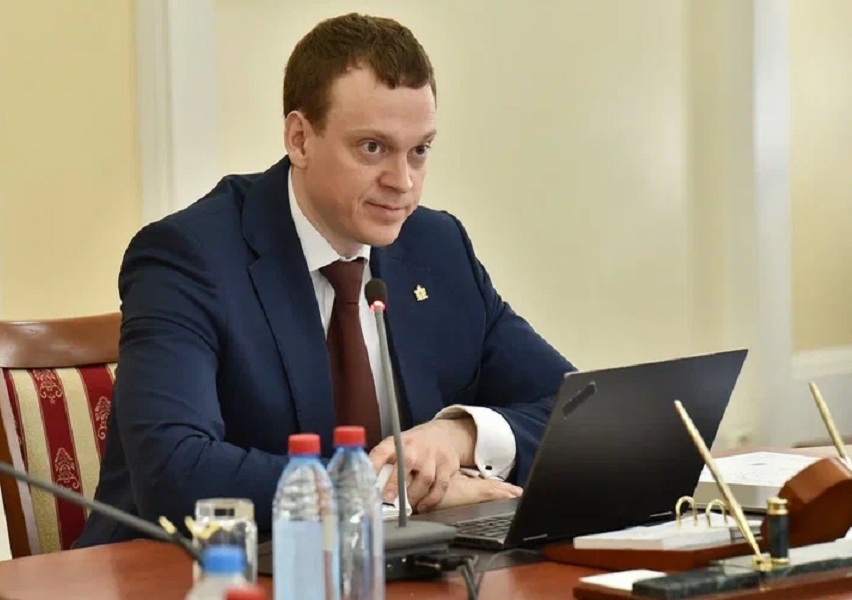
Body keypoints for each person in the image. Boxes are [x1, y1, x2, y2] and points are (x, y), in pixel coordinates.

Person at [75, 12, 573, 547]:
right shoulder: (189, 258)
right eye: (372, 148)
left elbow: (575, 410)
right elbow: (175, 471)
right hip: (192, 570)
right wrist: (393, 492)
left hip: (402, 568)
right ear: (300, 139)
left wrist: (459, 435)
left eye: (420, 150)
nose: (403, 182)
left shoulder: (438, 248)